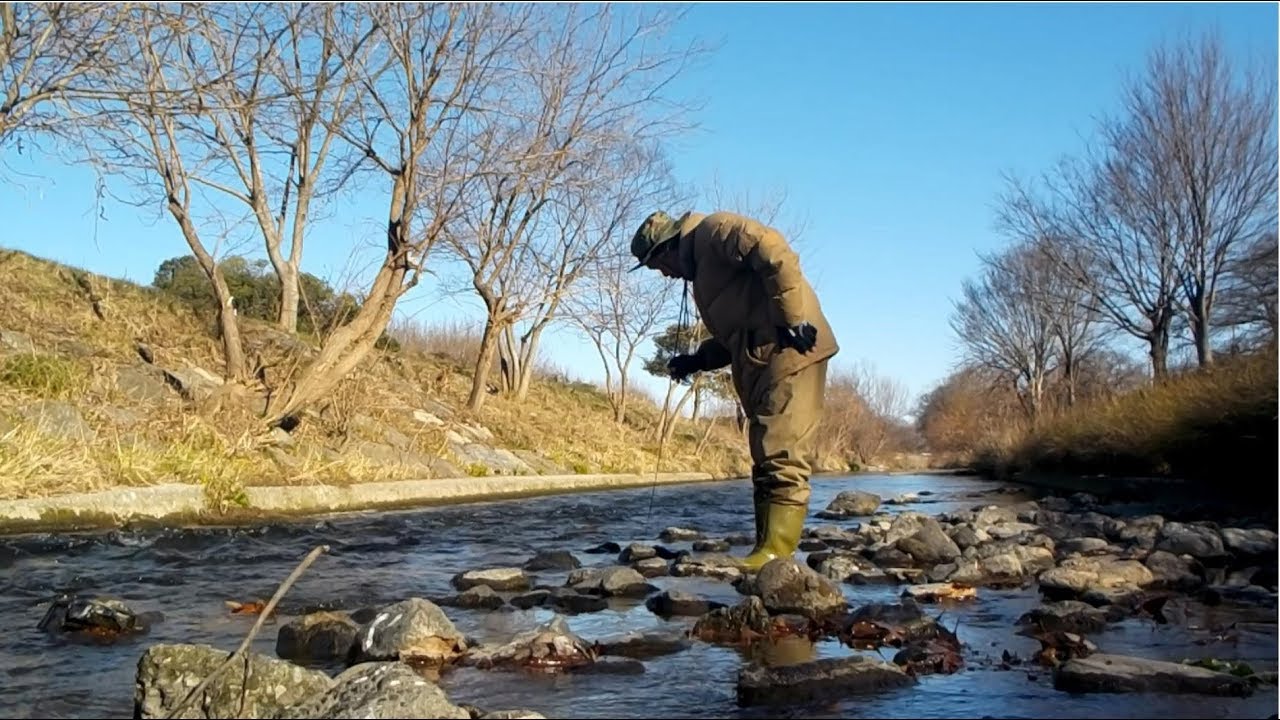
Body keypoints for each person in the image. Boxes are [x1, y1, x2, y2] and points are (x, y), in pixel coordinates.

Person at [629, 209, 838, 571]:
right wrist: (696, 361)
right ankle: (767, 550)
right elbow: (734, 339)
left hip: (793, 353)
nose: (663, 274)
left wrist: (792, 320)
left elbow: (774, 250)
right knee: (765, 454)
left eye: (656, 266)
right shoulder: (703, 281)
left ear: (666, 249)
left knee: (781, 452)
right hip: (764, 364)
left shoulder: (715, 230)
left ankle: (776, 555)